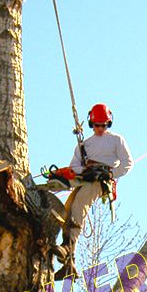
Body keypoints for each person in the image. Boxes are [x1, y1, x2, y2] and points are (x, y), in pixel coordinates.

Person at [53, 103, 133, 280]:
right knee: (68, 208)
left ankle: (68, 246)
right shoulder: (84, 145)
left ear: (108, 124)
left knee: (79, 204)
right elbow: (75, 166)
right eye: (97, 125)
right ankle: (69, 262)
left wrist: (111, 173)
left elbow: (128, 163)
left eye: (103, 125)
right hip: (87, 178)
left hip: (102, 181)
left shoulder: (116, 140)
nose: (100, 129)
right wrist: (81, 171)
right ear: (92, 124)